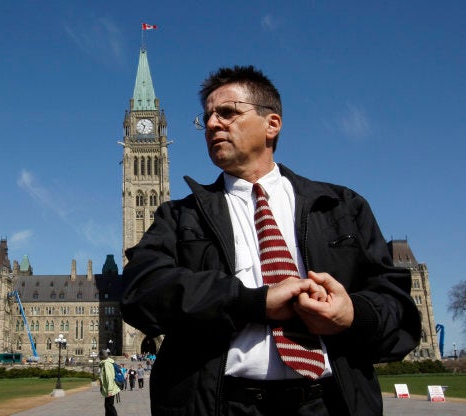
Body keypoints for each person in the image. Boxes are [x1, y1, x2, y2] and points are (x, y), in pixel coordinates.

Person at [121, 65, 421, 416]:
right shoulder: (179, 216)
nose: (213, 124)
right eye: (207, 118)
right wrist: (252, 302)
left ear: (272, 124)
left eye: (228, 112)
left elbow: (398, 307)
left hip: (328, 403)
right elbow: (141, 291)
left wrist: (354, 314)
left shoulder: (341, 207)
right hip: (221, 404)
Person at [98, 349, 120, 416]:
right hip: (108, 388)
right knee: (107, 405)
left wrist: (109, 390)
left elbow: (109, 377)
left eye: (99, 355)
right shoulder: (106, 363)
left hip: (110, 389)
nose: (98, 357)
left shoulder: (106, 364)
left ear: (101, 356)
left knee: (109, 406)